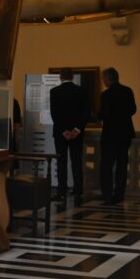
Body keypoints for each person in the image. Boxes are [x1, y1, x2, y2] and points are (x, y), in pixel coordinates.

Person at [49, 69, 90, 203]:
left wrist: (64, 131)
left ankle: (61, 191)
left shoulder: (54, 91)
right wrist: (76, 130)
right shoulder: (82, 91)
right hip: (77, 134)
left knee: (61, 162)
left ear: (61, 77)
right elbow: (86, 113)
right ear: (72, 77)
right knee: (77, 161)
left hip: (60, 133)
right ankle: (78, 190)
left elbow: (54, 114)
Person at [97, 67, 136, 204]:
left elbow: (104, 114)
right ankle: (119, 194)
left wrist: (95, 115)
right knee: (122, 165)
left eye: (103, 78)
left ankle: (107, 193)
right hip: (125, 134)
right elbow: (133, 110)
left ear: (108, 79)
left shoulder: (106, 95)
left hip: (110, 135)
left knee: (106, 165)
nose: (103, 81)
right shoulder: (127, 91)